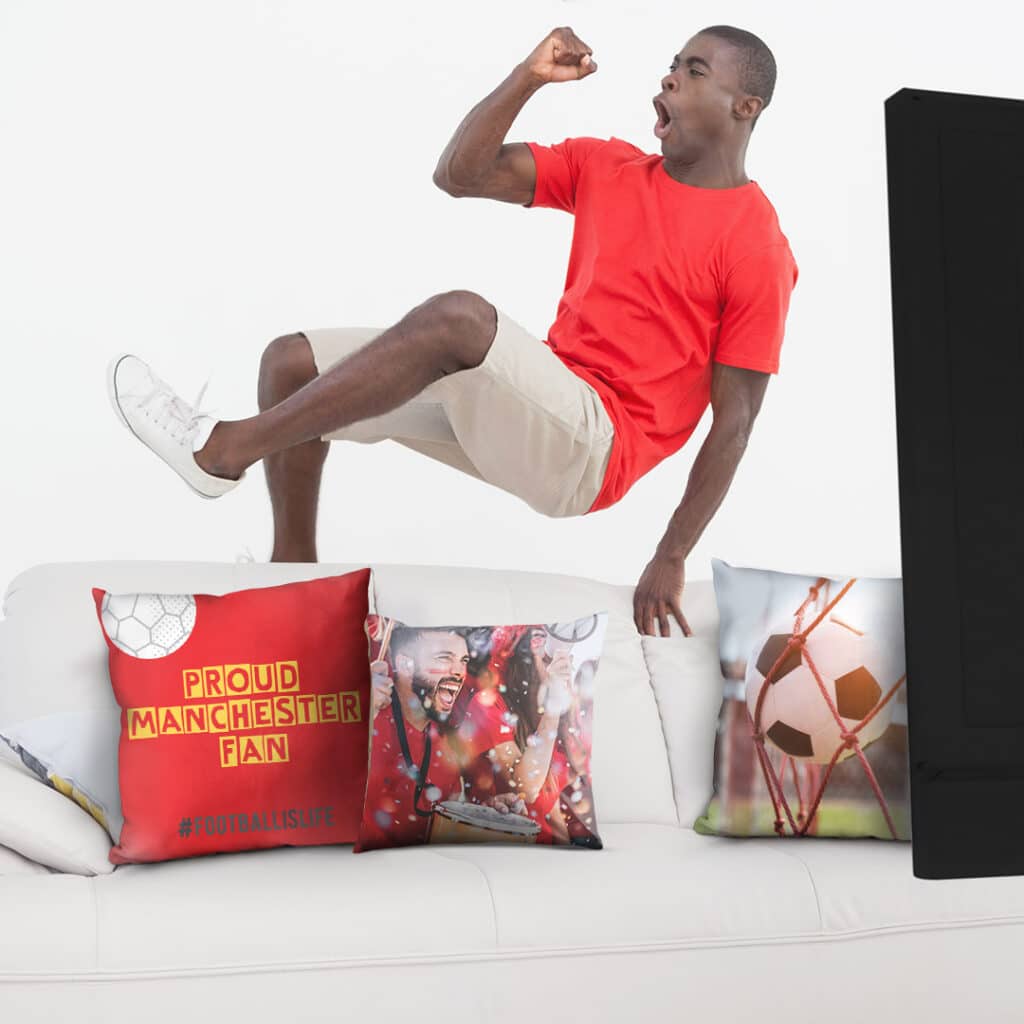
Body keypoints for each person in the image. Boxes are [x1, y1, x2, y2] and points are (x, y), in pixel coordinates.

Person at [105, 24, 798, 639]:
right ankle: (293, 587)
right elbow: (458, 175)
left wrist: (670, 554)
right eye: (673, 63)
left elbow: (734, 422)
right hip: (541, 403)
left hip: (595, 449)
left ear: (746, 107)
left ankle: (223, 450)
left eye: (695, 70)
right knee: (291, 364)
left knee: (460, 320)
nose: (670, 76)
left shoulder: (756, 247)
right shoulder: (610, 166)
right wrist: (528, 78)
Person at [359, 624, 524, 850]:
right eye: (444, 658)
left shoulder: (446, 745)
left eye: (463, 661)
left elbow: (442, 820)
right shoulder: (368, 717)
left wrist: (482, 814)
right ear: (405, 664)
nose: (459, 672)